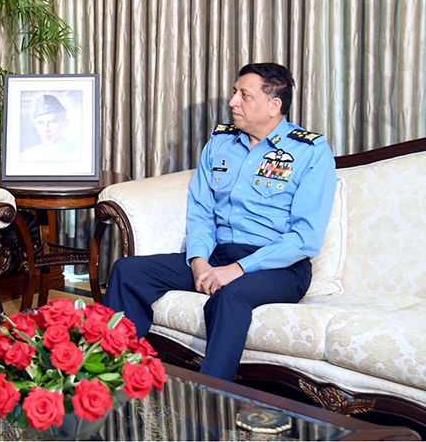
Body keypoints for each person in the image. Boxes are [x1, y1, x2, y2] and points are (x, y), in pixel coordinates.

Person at [103, 63, 337, 382]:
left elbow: (305, 238)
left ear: (274, 105)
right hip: (219, 255)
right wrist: (199, 261)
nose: (232, 102)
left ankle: (212, 397)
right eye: (234, 92)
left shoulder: (310, 152)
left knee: (231, 295)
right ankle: (114, 377)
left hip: (279, 266)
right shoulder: (220, 144)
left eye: (244, 95)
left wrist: (237, 271)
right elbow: (200, 210)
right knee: (127, 271)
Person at [20, 94, 81, 162]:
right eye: (40, 123)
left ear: (65, 123)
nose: (46, 129)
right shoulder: (26, 157)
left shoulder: (80, 155)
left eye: (52, 122)